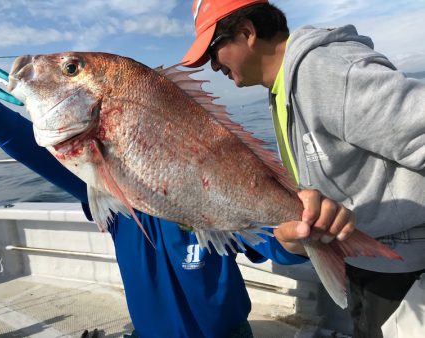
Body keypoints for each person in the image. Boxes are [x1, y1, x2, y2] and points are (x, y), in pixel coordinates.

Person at [0, 52, 355, 337]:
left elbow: (270, 240)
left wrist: (297, 238)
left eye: (72, 69)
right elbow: (26, 145)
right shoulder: (104, 184)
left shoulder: (206, 186)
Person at [181, 0, 425, 337]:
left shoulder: (321, 71)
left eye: (213, 50)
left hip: (405, 270)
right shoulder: (283, 89)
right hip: (366, 263)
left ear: (247, 32)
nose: (212, 66)